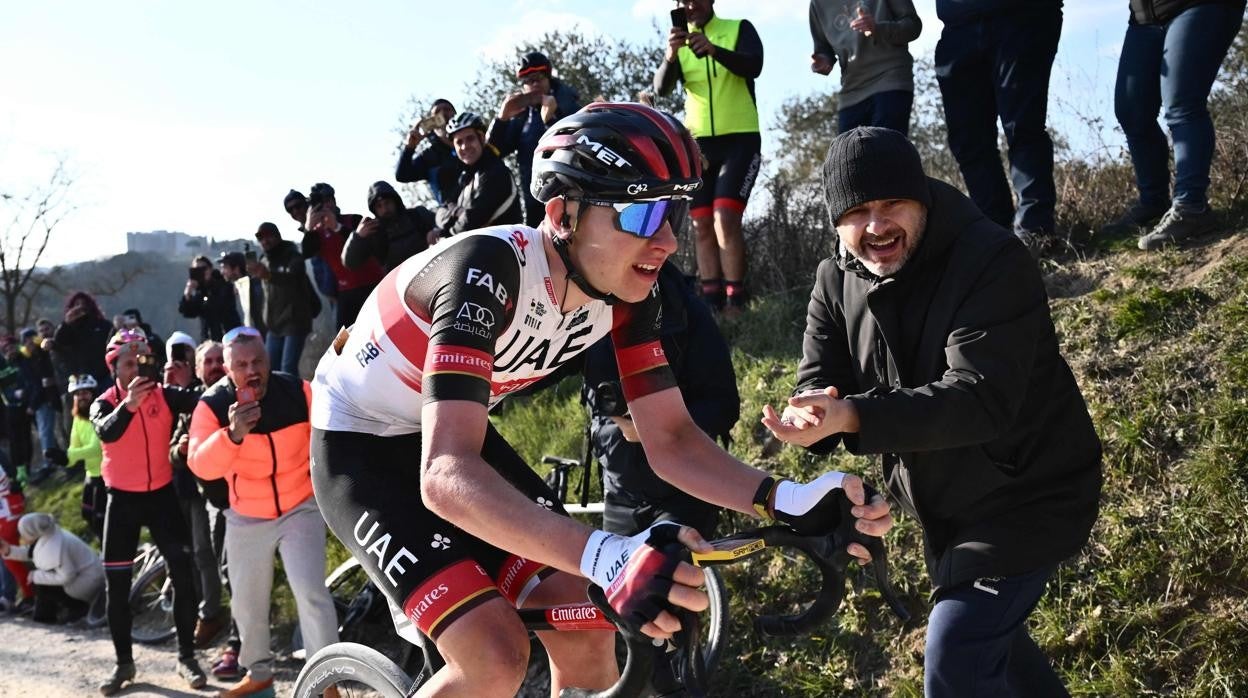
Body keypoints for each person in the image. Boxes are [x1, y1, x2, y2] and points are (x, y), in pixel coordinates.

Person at [308, 102, 881, 696]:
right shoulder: (487, 271)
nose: (665, 241)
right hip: (362, 446)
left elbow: (673, 440)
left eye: (674, 213)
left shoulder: (631, 293)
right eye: (641, 214)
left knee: (583, 621)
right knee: (494, 655)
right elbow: (445, 474)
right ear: (562, 213)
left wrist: (784, 499)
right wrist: (609, 555)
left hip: (446, 435)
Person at [761, 127, 1102, 697]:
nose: (876, 226)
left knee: (956, 657)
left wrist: (854, 418)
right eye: (857, 211)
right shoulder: (834, 278)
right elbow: (821, 377)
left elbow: (980, 399)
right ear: (835, 221)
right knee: (998, 658)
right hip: (947, 507)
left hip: (1032, 492)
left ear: (921, 197)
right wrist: (814, 413)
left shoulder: (990, 259)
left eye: (892, 203)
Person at [189, 327, 339, 697]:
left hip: (299, 507)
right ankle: (259, 676)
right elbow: (200, 465)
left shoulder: (297, 391)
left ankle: (326, 682)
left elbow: (330, 436)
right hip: (245, 515)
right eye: (240, 364)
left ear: (268, 359)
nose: (251, 369)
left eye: (257, 360)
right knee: (247, 600)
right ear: (226, 368)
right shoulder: (211, 405)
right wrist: (233, 434)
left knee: (311, 594)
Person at [583, 261, 738, 540]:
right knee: (624, 585)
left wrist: (657, 427)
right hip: (620, 493)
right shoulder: (589, 311)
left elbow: (724, 405)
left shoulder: (687, 312)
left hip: (686, 489)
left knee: (661, 578)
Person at [90, 330, 207, 694]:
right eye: (128, 362)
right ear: (114, 369)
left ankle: (186, 656)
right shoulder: (105, 401)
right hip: (121, 501)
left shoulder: (163, 395)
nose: (137, 368)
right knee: (117, 588)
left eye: (142, 360)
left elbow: (201, 400)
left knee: (184, 574)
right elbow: (106, 432)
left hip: (161, 497)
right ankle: (124, 664)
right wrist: (129, 406)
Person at [1105, 0, 1247, 251]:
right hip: (1145, 16)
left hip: (1200, 5)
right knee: (1131, 110)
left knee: (1182, 104)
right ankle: (1153, 203)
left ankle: (1191, 207)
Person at [655, 0, 764, 314]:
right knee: (702, 222)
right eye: (683, 1)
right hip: (698, 145)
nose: (691, 5)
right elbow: (662, 89)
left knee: (725, 216)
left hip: (740, 138)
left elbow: (753, 66)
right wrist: (670, 56)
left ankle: (736, 299)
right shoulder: (680, 42)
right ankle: (712, 301)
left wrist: (715, 49)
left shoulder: (738, 28)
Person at [933, 0, 1063, 252]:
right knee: (967, 138)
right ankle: (995, 236)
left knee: (1022, 126)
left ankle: (1035, 233)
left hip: (1021, 15)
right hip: (958, 27)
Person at [166, 334, 231, 649]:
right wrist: (179, 450)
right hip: (197, 493)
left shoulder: (234, 396)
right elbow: (174, 449)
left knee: (222, 561)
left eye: (221, 360)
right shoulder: (192, 402)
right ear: (199, 367)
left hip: (236, 495)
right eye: (210, 361)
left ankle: (232, 631)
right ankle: (210, 616)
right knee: (204, 555)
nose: (216, 366)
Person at [487, 51, 583, 226]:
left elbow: (580, 145)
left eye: (538, 78)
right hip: (534, 203)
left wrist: (551, 119)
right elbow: (491, 155)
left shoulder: (569, 104)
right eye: (527, 81)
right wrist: (501, 119)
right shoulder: (520, 117)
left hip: (570, 197)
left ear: (548, 79)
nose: (533, 85)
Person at [809, 0, 923, 134]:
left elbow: (913, 26)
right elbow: (823, 49)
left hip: (890, 79)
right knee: (848, 153)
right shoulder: (817, 4)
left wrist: (877, 28)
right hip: (851, 91)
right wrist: (823, 61)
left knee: (887, 150)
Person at [429, 112, 523, 242]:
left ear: (482, 138)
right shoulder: (466, 177)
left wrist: (444, 237)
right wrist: (457, 212)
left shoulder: (494, 172)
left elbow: (471, 220)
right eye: (459, 142)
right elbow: (441, 211)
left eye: (470, 138)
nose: (465, 146)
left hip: (506, 253)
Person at [302, 184, 385, 329]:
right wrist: (308, 229)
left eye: (328, 201)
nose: (325, 206)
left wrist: (337, 228)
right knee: (343, 342)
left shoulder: (353, 220)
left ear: (334, 201)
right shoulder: (316, 234)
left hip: (373, 285)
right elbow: (306, 252)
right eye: (319, 203)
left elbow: (368, 246)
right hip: (346, 292)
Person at [0, 512, 104, 624]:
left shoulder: (54, 546)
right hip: (89, 577)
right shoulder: (50, 535)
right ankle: (48, 615)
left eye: (23, 532)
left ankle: (76, 609)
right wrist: (9, 550)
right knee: (41, 578)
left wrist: (36, 576)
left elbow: (67, 577)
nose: (21, 536)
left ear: (31, 533)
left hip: (89, 584)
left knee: (42, 582)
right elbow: (33, 552)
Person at [250, 222, 319, 377]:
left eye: (268, 236)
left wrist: (270, 276)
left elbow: (294, 279)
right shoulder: (264, 261)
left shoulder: (293, 255)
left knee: (288, 370)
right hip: (274, 325)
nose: (265, 241)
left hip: (294, 322)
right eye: (260, 238)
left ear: (277, 236)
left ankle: (293, 400)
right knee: (270, 370)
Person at [343, 181, 433, 272]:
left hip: (432, 269)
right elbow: (350, 262)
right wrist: (358, 237)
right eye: (379, 206)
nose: (385, 209)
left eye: (387, 203)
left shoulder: (418, 215)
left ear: (395, 201)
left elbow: (443, 225)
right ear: (374, 210)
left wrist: (436, 231)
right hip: (401, 281)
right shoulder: (374, 231)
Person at [396, 98, 464, 205]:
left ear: (455, 114)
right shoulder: (429, 156)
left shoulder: (468, 143)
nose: (443, 113)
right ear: (431, 120)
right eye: (437, 112)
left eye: (447, 109)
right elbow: (402, 175)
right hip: (453, 213)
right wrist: (409, 148)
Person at [66, 374, 106, 540]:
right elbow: (74, 447)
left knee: (101, 517)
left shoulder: (100, 413)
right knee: (87, 514)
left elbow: (96, 448)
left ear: (93, 393)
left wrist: (69, 455)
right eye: (78, 393)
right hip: (91, 474)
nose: (81, 397)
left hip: (106, 475)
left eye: (85, 392)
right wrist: (64, 459)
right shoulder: (77, 418)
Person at [284, 189, 338, 310]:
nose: (295, 211)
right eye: (290, 209)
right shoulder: (307, 232)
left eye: (298, 206)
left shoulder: (325, 223)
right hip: (330, 295)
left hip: (343, 290)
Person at [53, 291, 113, 388]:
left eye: (83, 304)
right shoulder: (69, 327)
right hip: (80, 377)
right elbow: (59, 342)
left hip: (103, 375)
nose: (80, 307)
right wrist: (66, 323)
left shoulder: (103, 325)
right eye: (77, 304)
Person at [0, 335, 38, 486]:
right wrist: (11, 395)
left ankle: (27, 469)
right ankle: (18, 472)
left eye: (11, 347)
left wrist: (27, 398)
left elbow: (30, 380)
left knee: (27, 438)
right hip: (10, 408)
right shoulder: (2, 364)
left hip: (26, 406)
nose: (10, 350)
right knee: (15, 441)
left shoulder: (22, 360)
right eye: (6, 348)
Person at [179, 256, 243, 342]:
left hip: (230, 336)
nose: (202, 272)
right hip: (210, 339)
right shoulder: (200, 292)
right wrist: (188, 293)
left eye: (204, 268)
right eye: (197, 270)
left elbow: (218, 304)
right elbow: (189, 312)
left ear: (210, 269)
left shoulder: (223, 282)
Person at [0, 466, 32, 612]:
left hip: (7, 509)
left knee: (10, 557)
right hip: (5, 506)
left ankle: (30, 595)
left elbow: (6, 485)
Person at [220, 251, 268, 336]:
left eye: (225, 267)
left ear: (236, 269)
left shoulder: (255, 287)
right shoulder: (236, 287)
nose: (222, 272)